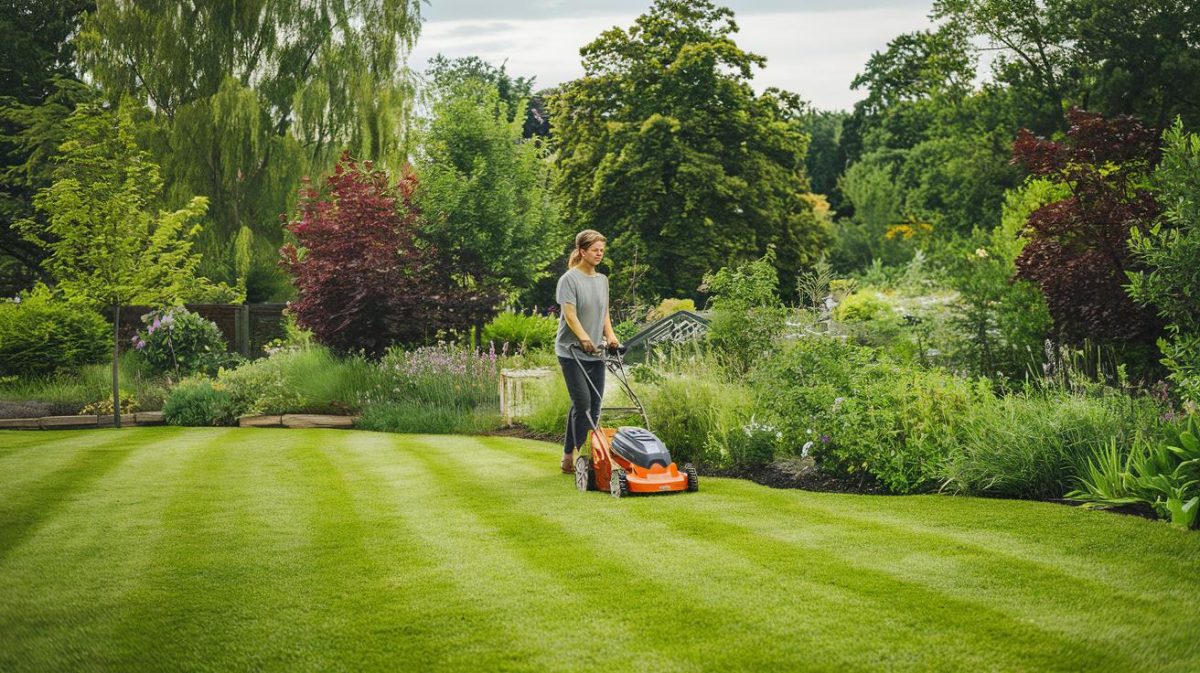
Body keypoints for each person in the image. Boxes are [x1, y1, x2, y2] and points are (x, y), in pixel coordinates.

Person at [554, 229, 620, 474]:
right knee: (582, 403)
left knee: (595, 406)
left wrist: (610, 336)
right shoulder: (569, 279)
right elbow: (569, 315)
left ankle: (576, 454)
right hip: (570, 351)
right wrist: (583, 337)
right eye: (595, 250)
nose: (599, 254)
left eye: (602, 250)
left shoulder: (602, 280)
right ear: (582, 251)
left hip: (596, 353)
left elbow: (604, 313)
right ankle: (571, 455)